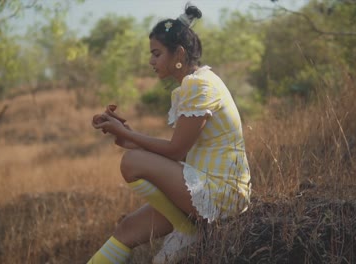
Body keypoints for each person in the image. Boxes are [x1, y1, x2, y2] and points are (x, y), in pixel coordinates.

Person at [87, 3, 251, 264]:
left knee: (131, 162)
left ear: (179, 53)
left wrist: (131, 140)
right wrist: (126, 135)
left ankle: (188, 229)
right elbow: (179, 153)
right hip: (199, 185)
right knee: (127, 229)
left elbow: (177, 151)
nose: (151, 61)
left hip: (221, 193)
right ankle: (186, 226)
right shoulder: (189, 85)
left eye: (156, 53)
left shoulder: (200, 85)